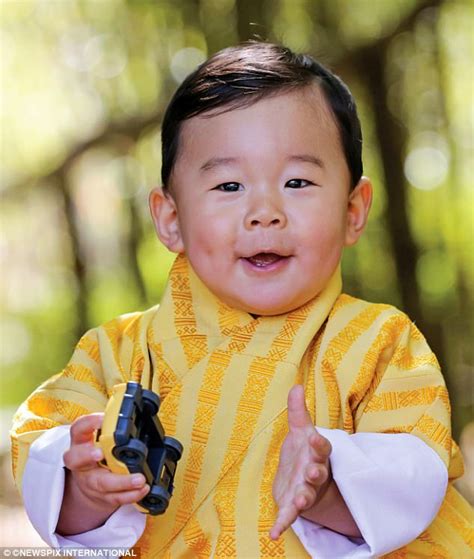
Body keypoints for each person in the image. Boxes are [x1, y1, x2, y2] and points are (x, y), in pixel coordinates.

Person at [11, 42, 472, 558]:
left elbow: (416, 477)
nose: (264, 212)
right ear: (170, 219)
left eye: (297, 181)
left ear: (353, 210)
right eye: (229, 185)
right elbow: (45, 464)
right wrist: (86, 489)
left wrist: (328, 489)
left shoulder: (381, 343)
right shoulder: (117, 353)